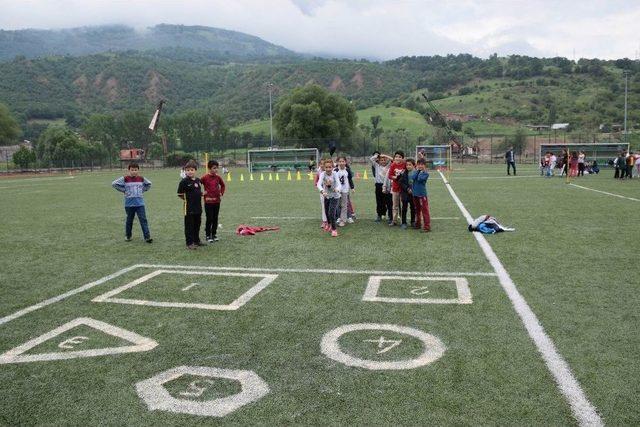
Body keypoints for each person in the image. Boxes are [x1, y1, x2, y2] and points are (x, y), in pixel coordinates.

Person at [111, 162, 152, 243]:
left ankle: (147, 237)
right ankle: (128, 236)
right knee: (129, 220)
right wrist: (124, 190)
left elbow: (149, 184)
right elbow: (114, 184)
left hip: (140, 204)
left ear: (138, 170)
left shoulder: (141, 178)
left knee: (143, 220)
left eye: (135, 170)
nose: (134, 171)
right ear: (129, 170)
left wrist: (142, 190)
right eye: (132, 170)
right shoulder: (125, 178)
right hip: (129, 204)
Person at [177, 160, 204, 249]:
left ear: (195, 170)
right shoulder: (184, 182)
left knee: (197, 224)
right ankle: (189, 243)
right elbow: (180, 194)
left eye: (192, 170)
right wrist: (187, 200)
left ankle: (196, 240)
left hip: (198, 207)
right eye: (188, 170)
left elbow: (197, 192)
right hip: (189, 208)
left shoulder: (198, 180)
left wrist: (201, 194)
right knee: (189, 226)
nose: (190, 172)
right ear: (185, 171)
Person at [201, 159, 226, 243]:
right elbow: (197, 184)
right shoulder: (204, 177)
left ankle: (214, 234)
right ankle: (208, 235)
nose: (216, 170)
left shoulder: (218, 177)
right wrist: (201, 193)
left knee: (215, 218)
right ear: (209, 168)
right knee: (209, 218)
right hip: (208, 202)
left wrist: (221, 193)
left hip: (217, 201)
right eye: (214, 168)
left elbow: (223, 185)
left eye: (217, 168)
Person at [316, 159, 341, 237]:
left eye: (330, 167)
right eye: (326, 167)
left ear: (332, 167)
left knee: (331, 212)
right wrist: (322, 191)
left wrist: (337, 189)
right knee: (327, 212)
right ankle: (329, 224)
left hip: (335, 196)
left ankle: (334, 229)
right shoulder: (323, 174)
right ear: (324, 167)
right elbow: (318, 184)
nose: (328, 169)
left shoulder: (335, 174)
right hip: (326, 195)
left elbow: (339, 184)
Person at [387, 150, 406, 226]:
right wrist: (395, 177)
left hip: (403, 188)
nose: (398, 158)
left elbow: (412, 167)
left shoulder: (405, 164)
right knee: (395, 205)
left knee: (403, 205)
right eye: (396, 156)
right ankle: (394, 220)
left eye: (400, 157)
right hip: (395, 188)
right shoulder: (393, 165)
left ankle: (403, 220)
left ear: (402, 158)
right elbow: (389, 176)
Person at [411, 158, 431, 232]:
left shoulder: (426, 173)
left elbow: (419, 179)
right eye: (419, 164)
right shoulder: (416, 171)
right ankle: (418, 224)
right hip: (415, 194)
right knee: (417, 210)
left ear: (425, 165)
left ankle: (427, 226)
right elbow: (413, 178)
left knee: (424, 211)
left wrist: (420, 171)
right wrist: (418, 171)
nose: (420, 166)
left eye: (422, 165)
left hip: (422, 195)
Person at [397, 159, 416, 230]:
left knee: (413, 208)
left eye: (410, 165)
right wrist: (407, 189)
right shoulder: (404, 173)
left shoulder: (416, 173)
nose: (408, 166)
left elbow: (417, 183)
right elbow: (400, 182)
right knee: (404, 208)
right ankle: (404, 223)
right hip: (405, 193)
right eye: (407, 165)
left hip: (413, 193)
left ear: (414, 165)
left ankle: (413, 221)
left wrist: (413, 189)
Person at [334, 156, 351, 227]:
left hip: (345, 190)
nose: (341, 163)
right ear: (337, 162)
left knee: (344, 205)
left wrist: (352, 187)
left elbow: (350, 179)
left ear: (345, 162)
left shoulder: (348, 170)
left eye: (343, 161)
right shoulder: (335, 170)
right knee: (337, 205)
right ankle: (338, 217)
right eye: (340, 161)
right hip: (337, 190)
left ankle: (343, 220)